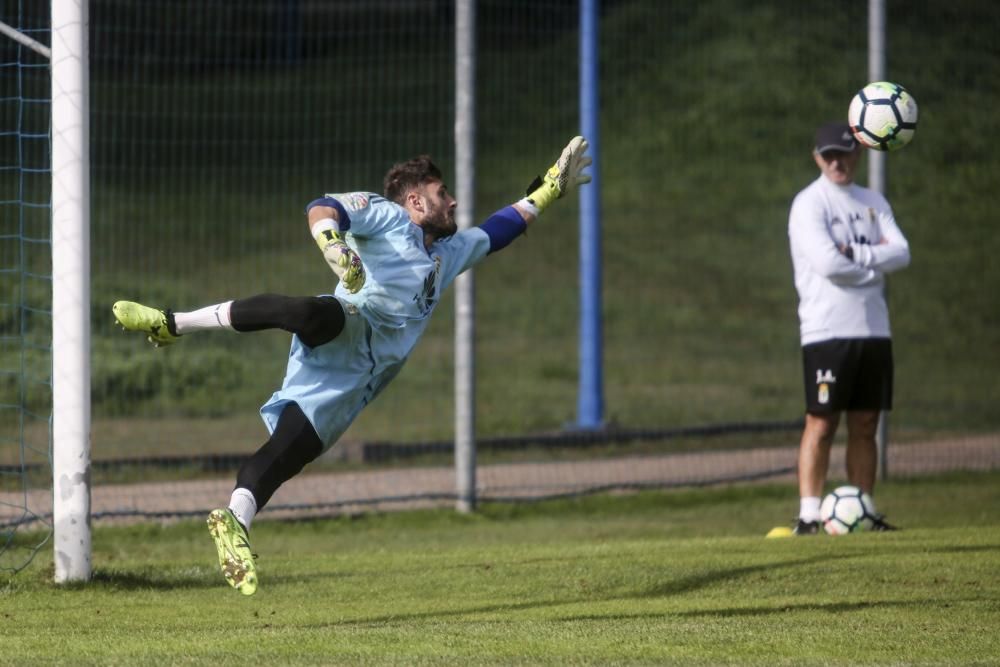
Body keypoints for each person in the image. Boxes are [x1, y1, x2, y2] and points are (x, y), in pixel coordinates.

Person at [113, 137, 592, 594]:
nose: (452, 202)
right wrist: (334, 246)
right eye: (441, 193)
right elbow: (323, 207)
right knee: (306, 313)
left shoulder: (446, 256)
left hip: (351, 384)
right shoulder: (388, 217)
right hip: (347, 324)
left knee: (286, 452)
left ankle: (234, 521)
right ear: (415, 201)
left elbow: (498, 230)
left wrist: (550, 188)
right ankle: (174, 323)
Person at [787, 122, 910, 535]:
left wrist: (856, 255)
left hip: (873, 329)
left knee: (865, 423)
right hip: (827, 330)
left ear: (859, 153)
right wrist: (873, 266)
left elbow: (903, 253)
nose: (837, 162)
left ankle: (865, 510)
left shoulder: (872, 201)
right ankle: (808, 515)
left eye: (844, 153)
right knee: (821, 421)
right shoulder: (810, 204)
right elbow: (827, 264)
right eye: (829, 156)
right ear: (817, 157)